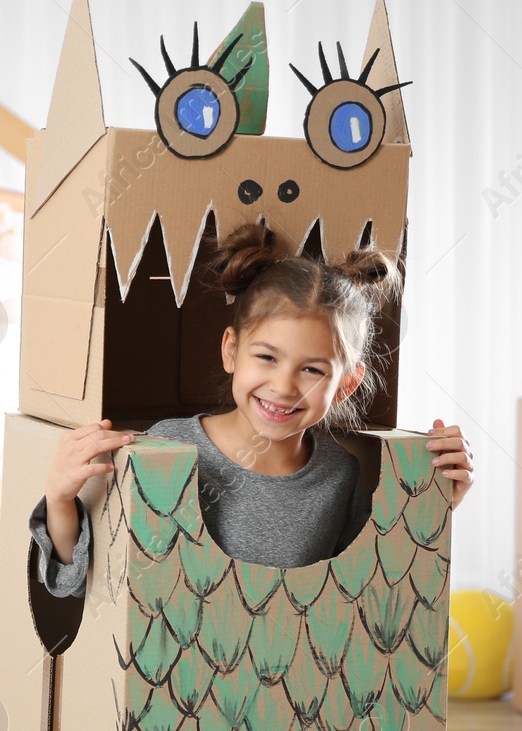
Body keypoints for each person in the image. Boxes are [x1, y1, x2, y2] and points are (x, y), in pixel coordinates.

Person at [29, 219, 475, 599]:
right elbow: (74, 582)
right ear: (231, 351)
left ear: (346, 385)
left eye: (313, 370)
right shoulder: (167, 446)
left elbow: (371, 586)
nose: (283, 387)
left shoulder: (341, 474)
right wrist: (60, 498)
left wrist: (434, 505)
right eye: (266, 357)